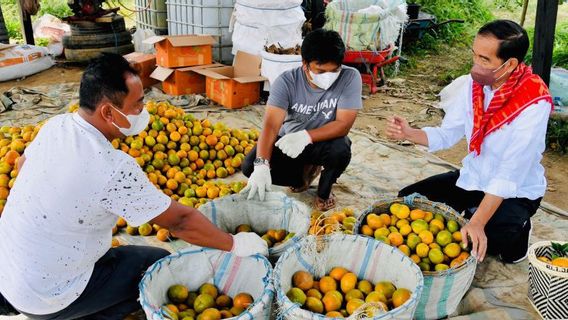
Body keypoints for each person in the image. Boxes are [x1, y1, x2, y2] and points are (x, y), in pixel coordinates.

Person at [0, 53, 268, 319]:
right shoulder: (111, 166)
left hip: (9, 274)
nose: (143, 111)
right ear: (107, 111)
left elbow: (22, 166)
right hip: (47, 296)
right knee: (156, 267)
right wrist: (235, 244)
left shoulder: (55, 126)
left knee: (126, 258)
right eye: (138, 104)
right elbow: (181, 222)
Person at [386, 20, 552, 264]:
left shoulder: (534, 103)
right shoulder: (472, 86)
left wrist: (477, 223)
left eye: (485, 60)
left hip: (516, 191)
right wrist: (410, 133)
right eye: (474, 55)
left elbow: (509, 174)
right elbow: (447, 134)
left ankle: (518, 229)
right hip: (474, 178)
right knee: (409, 200)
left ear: (511, 64)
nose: (476, 65)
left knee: (481, 241)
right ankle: (474, 210)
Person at [242, 29, 363, 211]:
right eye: (320, 71)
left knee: (341, 149)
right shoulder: (286, 82)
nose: (328, 77)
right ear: (304, 63)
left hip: (323, 141)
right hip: (289, 142)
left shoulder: (350, 77)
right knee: (249, 167)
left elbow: (343, 124)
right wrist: (261, 165)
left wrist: (307, 136)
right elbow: (271, 125)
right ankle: (304, 173)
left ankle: (324, 192)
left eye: (335, 70)